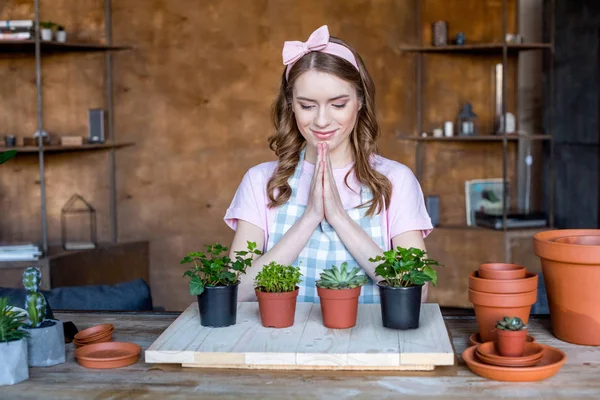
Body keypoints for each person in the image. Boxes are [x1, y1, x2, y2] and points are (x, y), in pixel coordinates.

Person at [224, 25, 433, 303]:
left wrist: (339, 219)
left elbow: (418, 294)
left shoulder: (396, 180)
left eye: (338, 104)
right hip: (280, 343)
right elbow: (236, 293)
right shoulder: (260, 181)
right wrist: (310, 218)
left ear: (360, 101)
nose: (322, 121)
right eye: (308, 106)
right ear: (291, 105)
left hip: (371, 345)